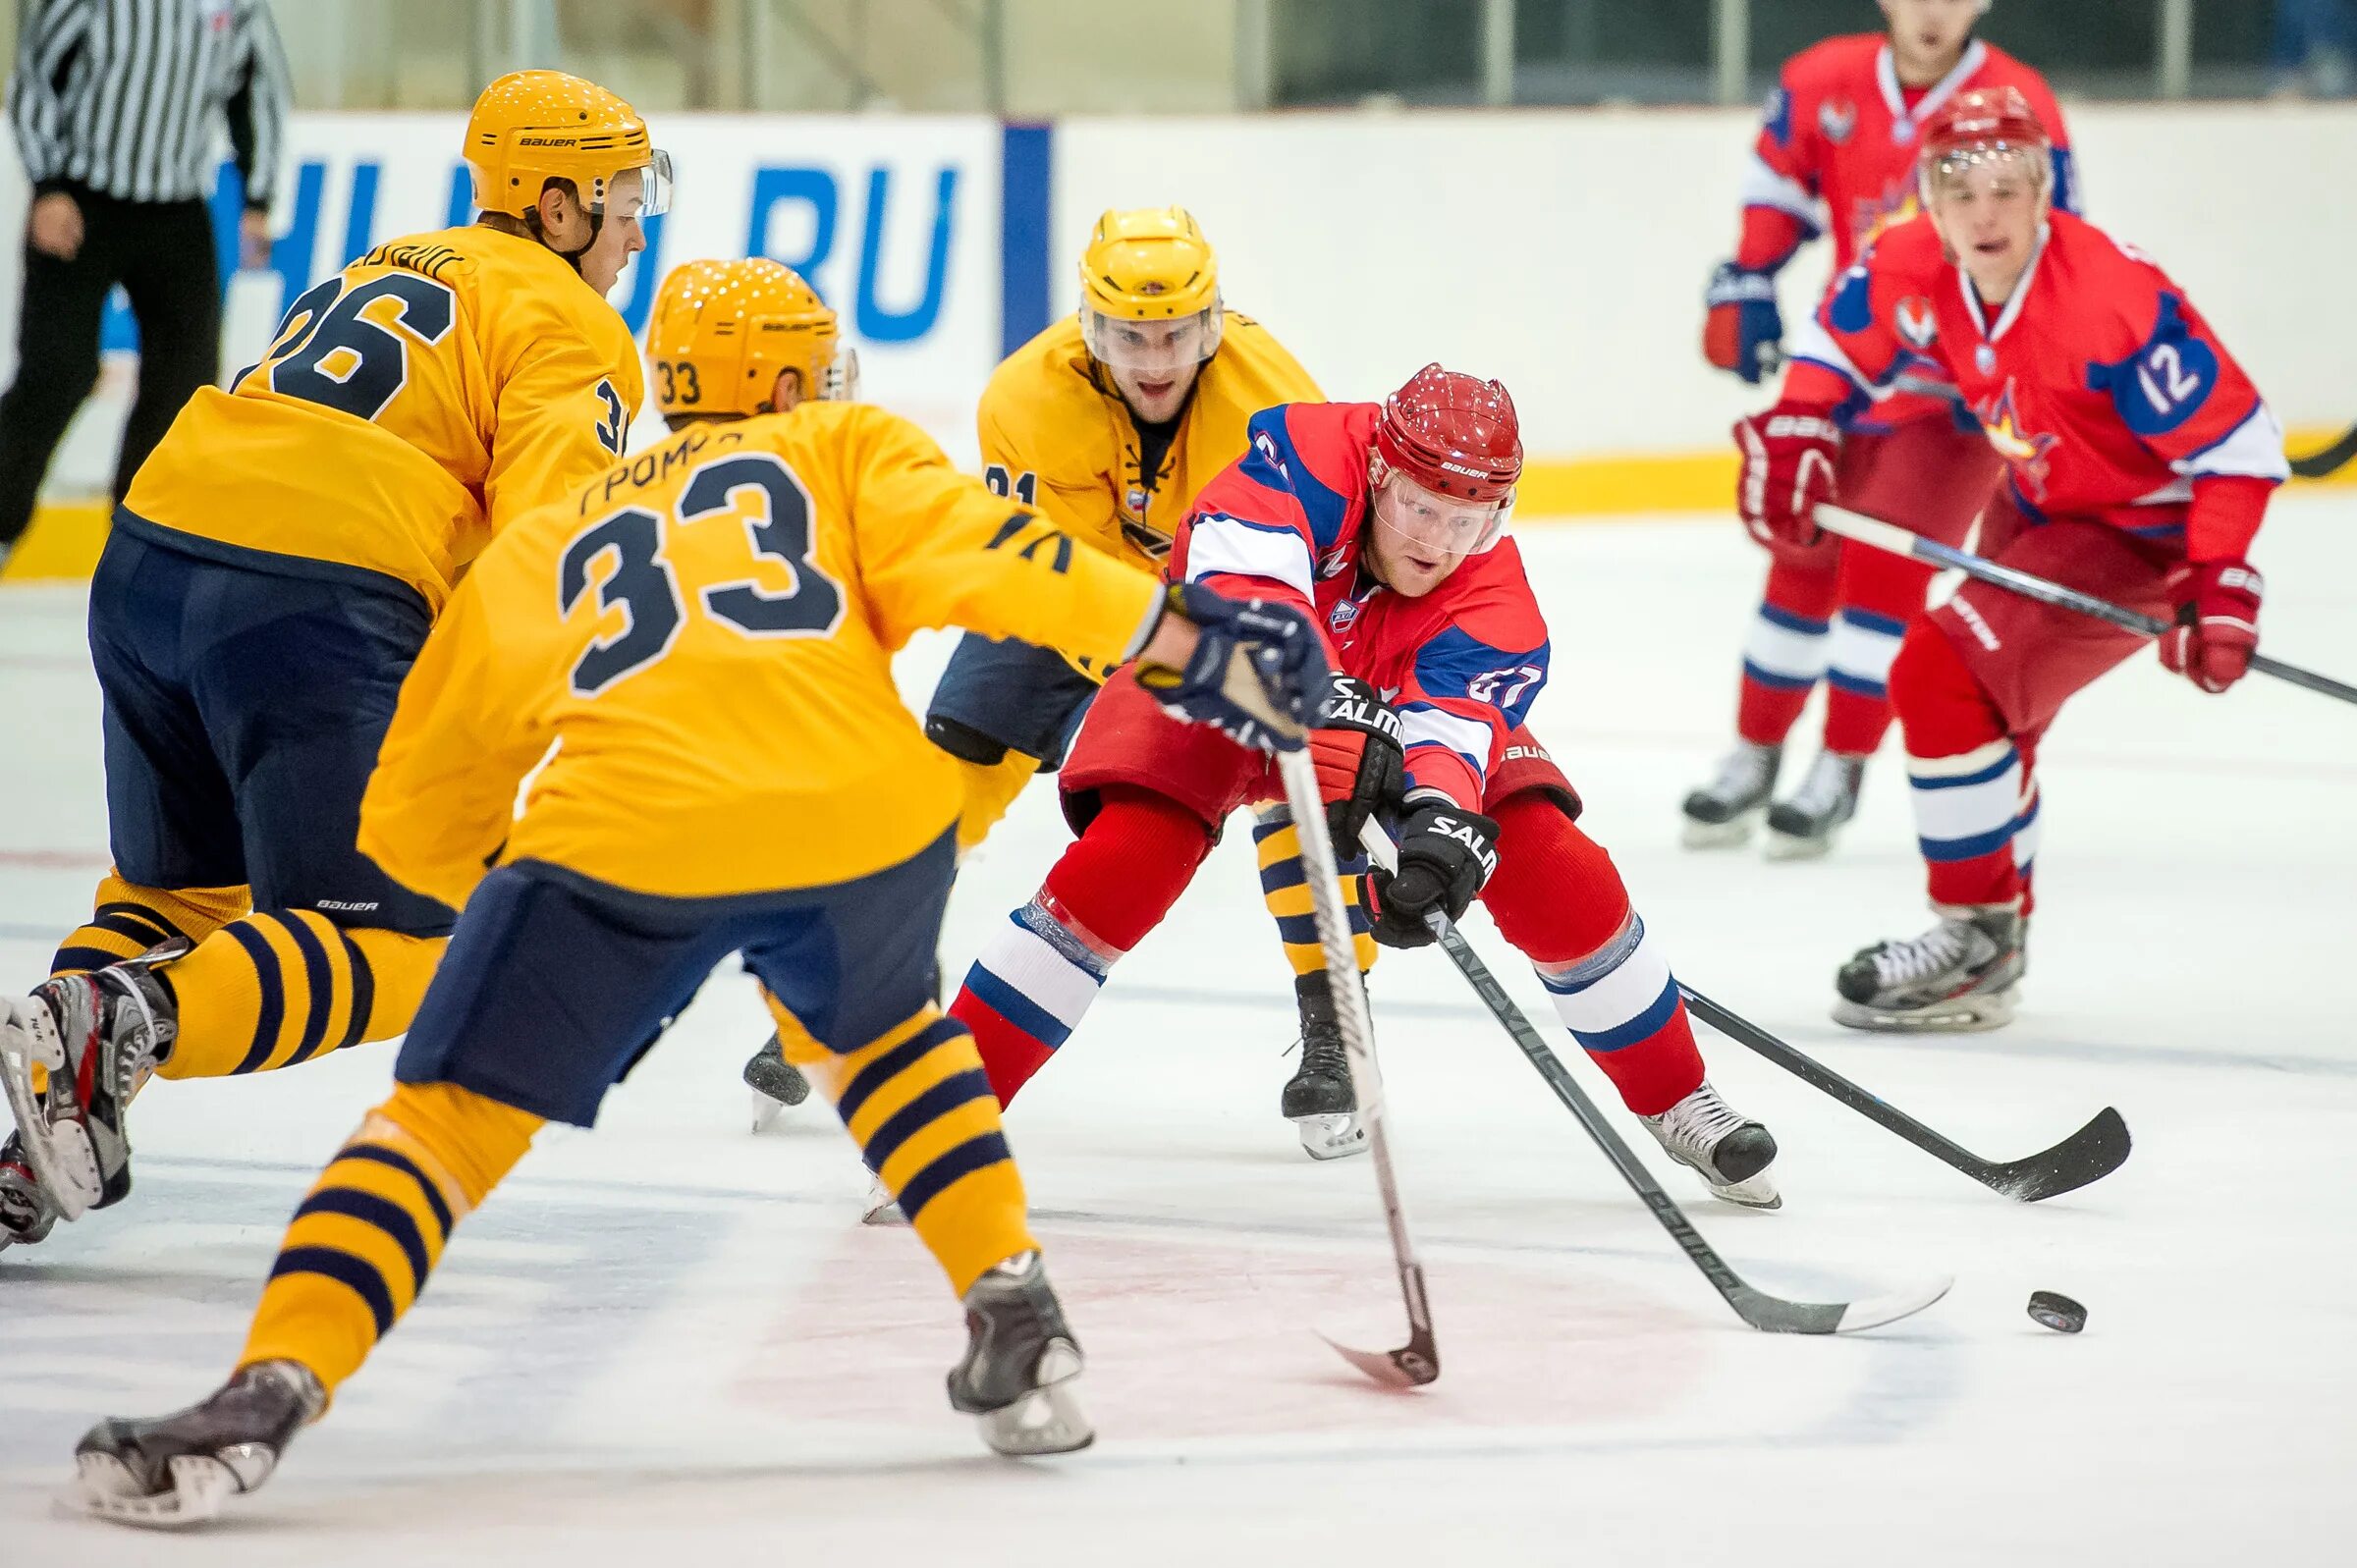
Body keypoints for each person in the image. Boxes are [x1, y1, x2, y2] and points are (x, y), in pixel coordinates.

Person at [60, 255, 1326, 1525]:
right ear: (782, 381)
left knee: (442, 1126)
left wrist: (497, 914)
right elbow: (1013, 567)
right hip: (864, 817)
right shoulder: (843, 445)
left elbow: (425, 790)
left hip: (626, 838)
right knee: (887, 1045)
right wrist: (1196, 647)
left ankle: (274, 1382)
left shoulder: (551, 531)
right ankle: (1015, 1308)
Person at [0, 70, 664, 1250]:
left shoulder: (392, 259)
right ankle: (131, 1014)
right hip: (311, 599)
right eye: (616, 195)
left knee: (174, 894)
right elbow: (552, 548)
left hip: (150, 556)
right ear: (555, 209)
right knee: (402, 938)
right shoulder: (577, 327)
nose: (632, 222)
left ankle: (29, 1136)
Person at [947, 365, 1782, 1210]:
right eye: (1422, 507)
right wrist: (1329, 708)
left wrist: (1434, 821)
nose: (1440, 541)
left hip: (1374, 706)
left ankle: (1679, 1098)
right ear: (1380, 471)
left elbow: (1451, 732)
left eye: (1468, 518)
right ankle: (936, 1121)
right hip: (1220, 674)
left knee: (1549, 860)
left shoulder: (1495, 598)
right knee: (1125, 860)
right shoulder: (1305, 456)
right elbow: (1241, 597)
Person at [747, 207, 1366, 1161]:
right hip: (1071, 591)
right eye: (1129, 335)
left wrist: (1241, 669)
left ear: (1211, 325)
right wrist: (1160, 659)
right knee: (943, 771)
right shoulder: (1024, 399)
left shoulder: (1279, 402)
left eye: (1173, 335)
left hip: (1229, 600)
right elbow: (1057, 588)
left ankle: (1336, 1018)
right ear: (1090, 327)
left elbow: (1307, 568)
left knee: (1302, 783)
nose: (1154, 360)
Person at [1734, 88, 2286, 1030]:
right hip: (2033, 499)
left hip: (2137, 530)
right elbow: (1838, 337)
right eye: (1958, 186)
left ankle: (1976, 933)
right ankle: (1993, 933)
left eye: (2007, 185)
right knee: (1994, 713)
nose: (1984, 210)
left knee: (1939, 674)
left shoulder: (2109, 296)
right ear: (1931, 203)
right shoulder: (1918, 261)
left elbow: (2237, 447)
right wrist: (1800, 426)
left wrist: (2219, 575)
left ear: (2045, 195)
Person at [1687, 0, 2074, 857]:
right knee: (1800, 558)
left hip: (1954, 396)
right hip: (1852, 352)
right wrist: (1748, 276)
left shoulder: (2020, 100)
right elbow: (1777, 185)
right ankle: (1755, 751)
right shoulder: (1823, 78)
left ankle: (1842, 762)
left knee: (1885, 566)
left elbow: (2057, 243)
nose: (1933, 10)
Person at [1, 0, 291, 566]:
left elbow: (259, 91)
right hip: (82, 202)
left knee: (184, 379)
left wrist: (258, 198)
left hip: (176, 208)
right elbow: (35, 75)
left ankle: (140, 538)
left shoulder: (238, 5)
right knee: (58, 371)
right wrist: (49, 184)